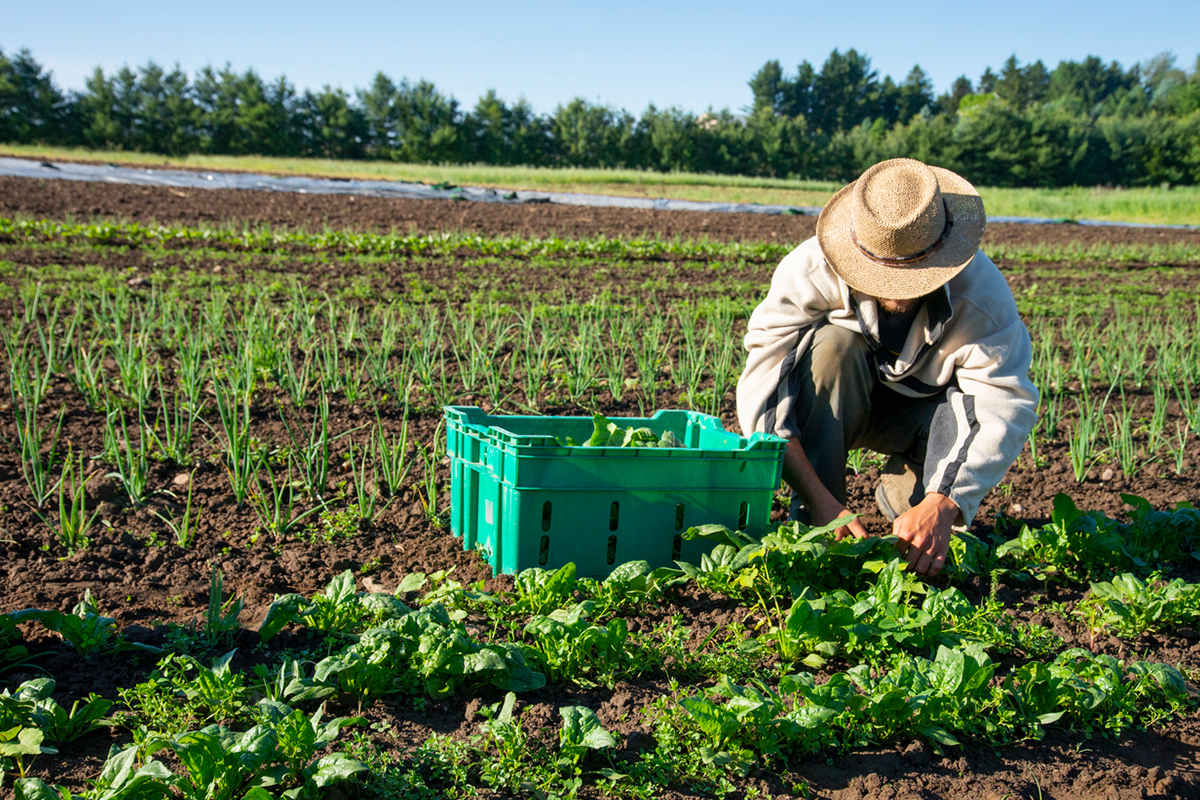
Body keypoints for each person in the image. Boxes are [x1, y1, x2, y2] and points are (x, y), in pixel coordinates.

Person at [736, 158, 1038, 578]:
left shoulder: (982, 297)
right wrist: (823, 504)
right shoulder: (809, 270)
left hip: (921, 419)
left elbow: (1002, 403)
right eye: (883, 274)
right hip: (840, 401)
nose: (896, 289)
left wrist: (943, 503)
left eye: (913, 274)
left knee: (922, 531)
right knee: (831, 347)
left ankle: (906, 492)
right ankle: (816, 522)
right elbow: (764, 394)